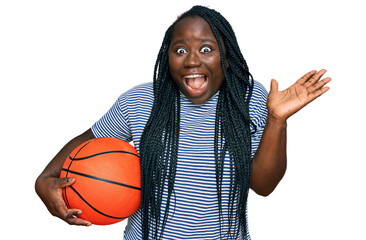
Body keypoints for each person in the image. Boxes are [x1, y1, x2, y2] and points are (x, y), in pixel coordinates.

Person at [35, 5, 331, 240]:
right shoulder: (140, 102)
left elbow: (263, 185)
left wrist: (276, 120)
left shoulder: (248, 101)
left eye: (206, 49)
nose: (191, 60)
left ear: (226, 58)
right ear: (167, 58)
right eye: (180, 50)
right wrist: (44, 181)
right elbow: (89, 141)